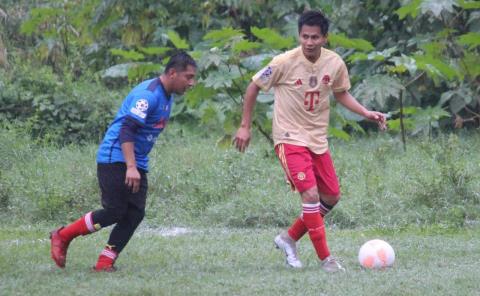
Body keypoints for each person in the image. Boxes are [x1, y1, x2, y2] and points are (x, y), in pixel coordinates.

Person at [233, 10, 386, 272]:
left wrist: (366, 113)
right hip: (289, 137)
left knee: (331, 196)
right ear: (299, 36)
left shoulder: (335, 63)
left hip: (317, 138)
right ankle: (326, 259)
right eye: (305, 36)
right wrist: (245, 126)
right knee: (311, 194)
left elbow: (341, 94)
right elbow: (253, 86)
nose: (309, 42)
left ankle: (288, 239)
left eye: (315, 37)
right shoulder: (283, 62)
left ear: (325, 38)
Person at [50, 51, 197, 272]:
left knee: (135, 212)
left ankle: (104, 262)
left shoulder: (168, 97)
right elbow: (127, 129)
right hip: (115, 159)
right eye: (188, 77)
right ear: (173, 73)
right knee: (114, 211)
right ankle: (63, 235)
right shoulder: (148, 95)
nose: (192, 82)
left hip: (135, 162)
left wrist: (136, 166)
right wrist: (130, 166)